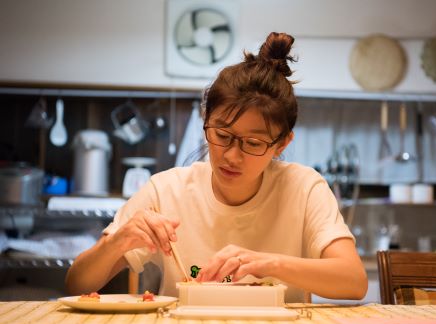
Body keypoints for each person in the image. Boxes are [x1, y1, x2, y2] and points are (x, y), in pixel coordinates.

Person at [65, 32, 368, 302]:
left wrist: (267, 263)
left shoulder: (303, 187)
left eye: (253, 143)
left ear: (282, 144)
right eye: (222, 135)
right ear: (205, 121)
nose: (232, 156)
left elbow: (354, 281)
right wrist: (119, 241)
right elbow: (77, 284)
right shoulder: (166, 191)